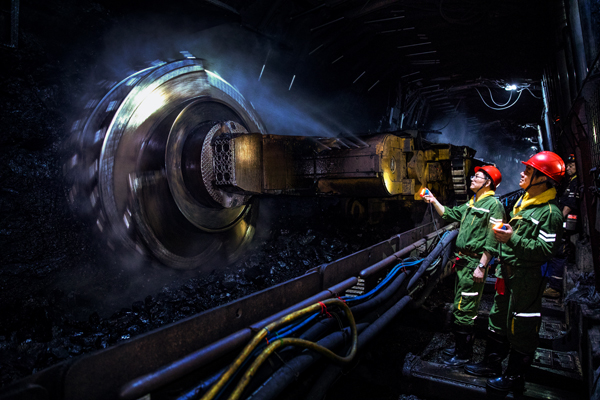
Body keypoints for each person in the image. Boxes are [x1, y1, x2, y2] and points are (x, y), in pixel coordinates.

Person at [464, 151, 565, 392]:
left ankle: (514, 377)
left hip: (526, 277)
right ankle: (492, 365)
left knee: (522, 324)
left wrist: (512, 238)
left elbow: (544, 251)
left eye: (528, 171)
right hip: (507, 271)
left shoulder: (550, 213)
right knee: (498, 318)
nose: (522, 173)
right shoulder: (525, 203)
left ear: (543, 179)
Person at [422, 165, 505, 367]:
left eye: (477, 176)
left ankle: (463, 354)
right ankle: (460, 346)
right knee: (461, 305)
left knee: (465, 308)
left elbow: (493, 239)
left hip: (474, 263)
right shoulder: (472, 202)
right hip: (464, 262)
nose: (472, 179)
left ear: (488, 182)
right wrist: (434, 200)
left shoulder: (494, 205)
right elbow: (450, 214)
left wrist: (482, 266)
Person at [543, 154, 579, 298]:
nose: (568, 168)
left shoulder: (575, 182)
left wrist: (558, 219)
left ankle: (555, 288)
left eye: (571, 166)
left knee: (559, 251)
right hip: (564, 222)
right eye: (567, 166)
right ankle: (553, 285)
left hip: (566, 222)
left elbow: (569, 204)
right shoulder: (570, 181)